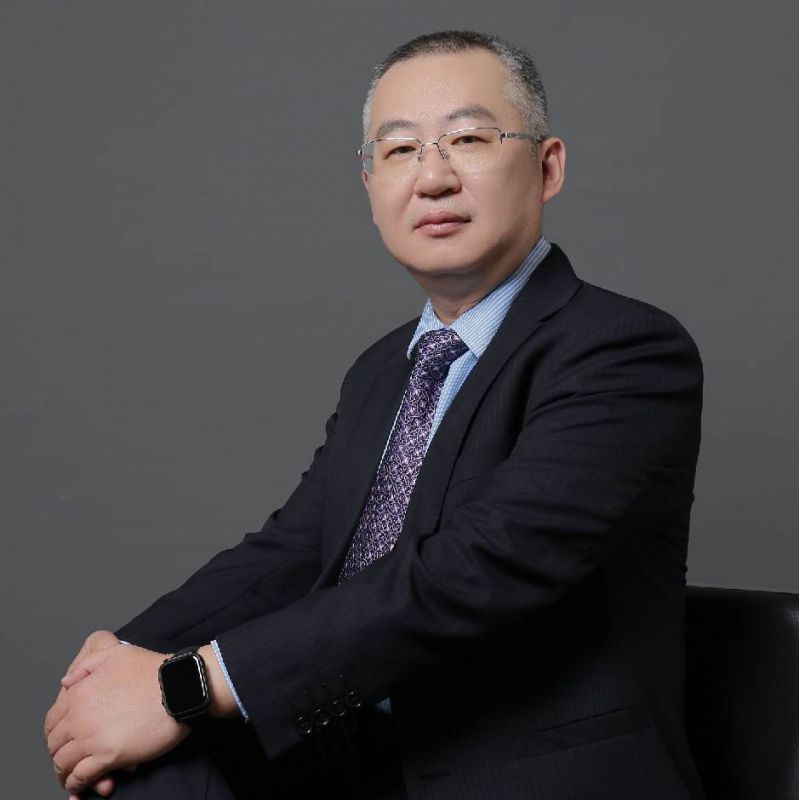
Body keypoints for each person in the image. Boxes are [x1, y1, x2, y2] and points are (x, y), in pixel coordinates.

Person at [44, 30, 706, 800]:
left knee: (174, 726)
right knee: (148, 768)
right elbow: (293, 551)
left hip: (524, 772)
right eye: (399, 151)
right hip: (355, 755)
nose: (432, 177)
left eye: (468, 139)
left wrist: (185, 685)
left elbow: (473, 570)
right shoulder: (383, 369)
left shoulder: (623, 351)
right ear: (369, 185)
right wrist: (117, 665)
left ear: (546, 166)